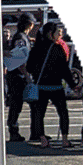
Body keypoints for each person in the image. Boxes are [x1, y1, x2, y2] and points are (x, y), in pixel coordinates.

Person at [25, 20, 72, 148]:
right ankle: (64, 140)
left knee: (39, 113)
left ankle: (43, 140)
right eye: (58, 32)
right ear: (51, 34)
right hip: (56, 86)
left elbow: (29, 67)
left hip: (41, 86)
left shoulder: (36, 48)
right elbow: (65, 70)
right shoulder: (57, 48)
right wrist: (73, 85)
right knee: (63, 112)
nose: (60, 35)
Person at [3, 13, 35, 142]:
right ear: (30, 24)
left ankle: (32, 131)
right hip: (17, 76)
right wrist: (27, 76)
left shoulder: (22, 37)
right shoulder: (21, 38)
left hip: (17, 75)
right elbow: (20, 59)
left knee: (22, 104)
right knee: (16, 105)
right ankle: (14, 131)